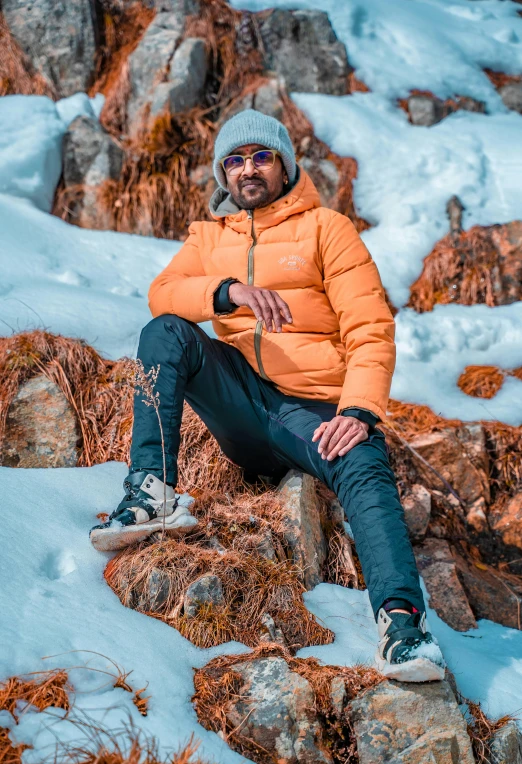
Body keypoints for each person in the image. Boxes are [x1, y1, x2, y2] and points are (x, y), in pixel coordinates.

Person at [90, 109, 445, 682]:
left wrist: (357, 410)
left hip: (311, 415)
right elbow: (163, 293)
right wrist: (229, 292)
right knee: (165, 333)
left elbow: (370, 326)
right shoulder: (210, 237)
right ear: (222, 174)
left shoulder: (328, 228)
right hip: (242, 407)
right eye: (235, 160)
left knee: (363, 459)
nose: (248, 169)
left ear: (285, 165)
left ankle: (402, 625)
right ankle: (150, 491)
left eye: (261, 156)